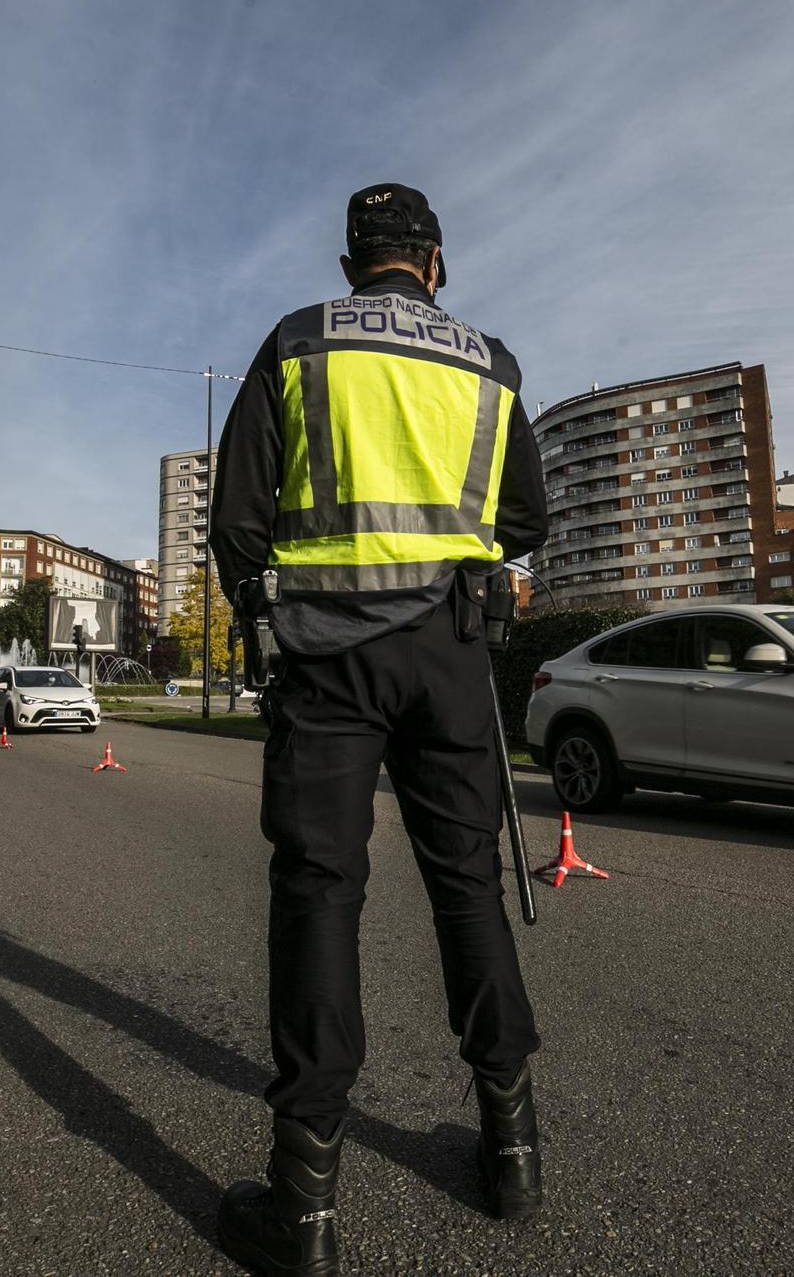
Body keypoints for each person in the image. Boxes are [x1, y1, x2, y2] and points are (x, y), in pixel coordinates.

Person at [208, 183, 549, 1276]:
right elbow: (525, 520)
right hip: (449, 656)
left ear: (353, 261)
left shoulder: (297, 343)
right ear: (433, 264)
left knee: (318, 893)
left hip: (324, 657)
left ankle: (303, 1210)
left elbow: (236, 524)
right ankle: (511, 1152)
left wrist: (269, 627)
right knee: (467, 887)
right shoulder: (487, 363)